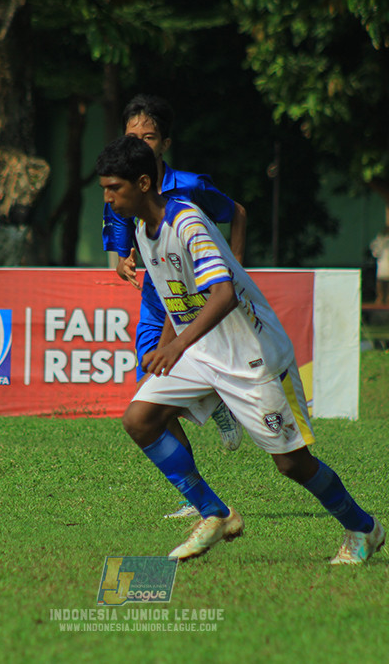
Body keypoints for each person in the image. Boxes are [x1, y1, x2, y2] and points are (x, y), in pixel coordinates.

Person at [96, 135, 385, 564]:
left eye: (113, 189)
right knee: (140, 419)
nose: (108, 198)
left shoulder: (187, 224)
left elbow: (224, 295)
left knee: (293, 465)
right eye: (104, 189)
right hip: (201, 353)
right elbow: (175, 303)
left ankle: (364, 528)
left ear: (142, 183)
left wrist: (177, 347)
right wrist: (167, 350)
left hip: (253, 356)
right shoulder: (143, 230)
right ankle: (215, 514)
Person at [103, 95, 247, 519]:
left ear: (164, 143)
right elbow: (120, 240)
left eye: (149, 137)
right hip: (157, 296)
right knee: (149, 381)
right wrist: (122, 260)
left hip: (201, 296)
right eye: (134, 137)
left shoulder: (189, 186)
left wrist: (233, 268)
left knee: (169, 375)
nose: (141, 145)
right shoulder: (120, 185)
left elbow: (236, 211)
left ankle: (217, 404)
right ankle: (194, 493)